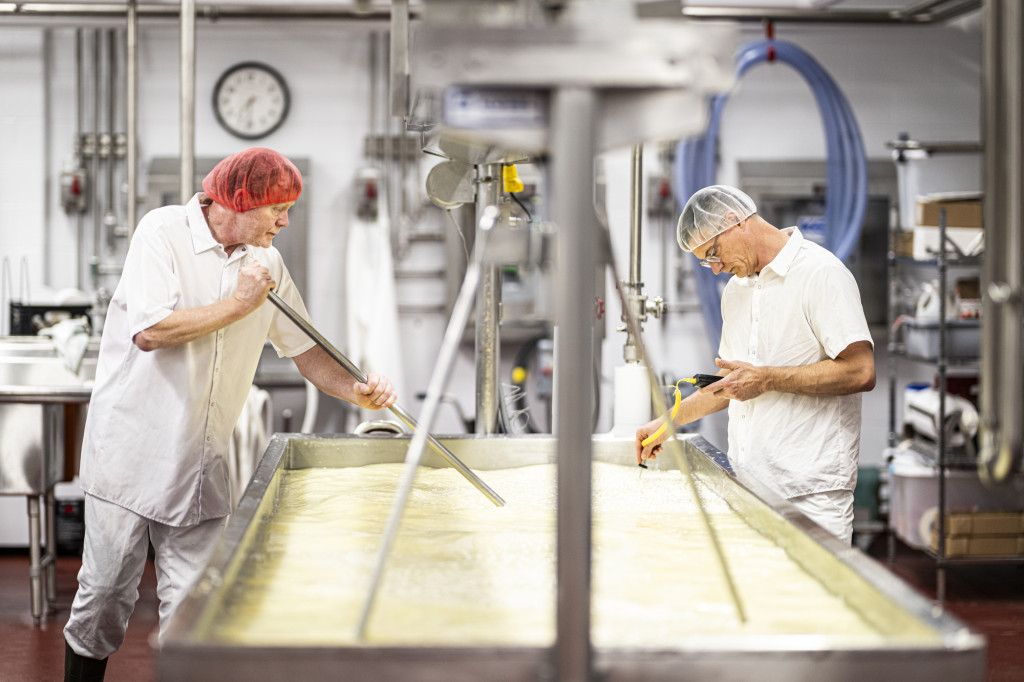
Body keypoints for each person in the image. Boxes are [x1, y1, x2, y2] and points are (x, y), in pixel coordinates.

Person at [63, 147, 397, 681]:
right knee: (103, 597)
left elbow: (306, 350)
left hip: (201, 460)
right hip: (131, 452)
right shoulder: (162, 233)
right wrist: (239, 306)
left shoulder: (267, 263)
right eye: (277, 210)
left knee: (196, 614)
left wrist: (357, 391)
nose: (285, 222)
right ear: (241, 202)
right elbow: (151, 331)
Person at [635, 185, 875, 545]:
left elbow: (861, 371)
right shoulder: (737, 290)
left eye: (713, 253)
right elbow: (733, 382)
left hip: (810, 494)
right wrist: (666, 423)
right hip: (749, 486)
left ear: (735, 222)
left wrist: (767, 379)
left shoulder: (820, 273)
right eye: (705, 261)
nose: (715, 269)